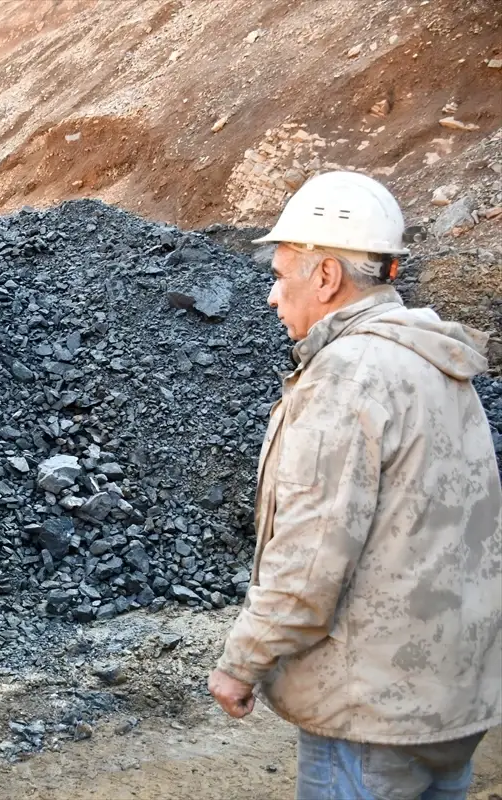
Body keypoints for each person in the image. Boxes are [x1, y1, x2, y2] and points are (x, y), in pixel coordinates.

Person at [207, 171, 501, 799]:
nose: (271, 297)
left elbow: (311, 559)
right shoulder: (435, 359)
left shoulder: (346, 377)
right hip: (452, 697)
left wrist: (241, 663)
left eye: (282, 275)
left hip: (372, 711)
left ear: (326, 276)